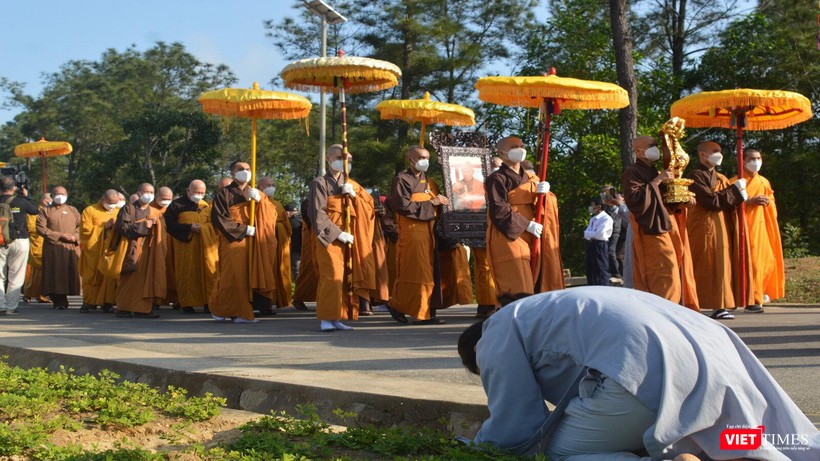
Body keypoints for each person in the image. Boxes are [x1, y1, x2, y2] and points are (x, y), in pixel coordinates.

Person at [457, 287, 819, 460]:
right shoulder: (560, 302)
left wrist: (480, 447)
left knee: (556, 452)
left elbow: (516, 422)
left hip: (642, 374)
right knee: (722, 431)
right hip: (716, 355)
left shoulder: (498, 329)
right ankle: (762, 452)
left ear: (477, 350)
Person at [308, 145, 379, 331]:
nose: (345, 162)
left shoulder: (352, 185)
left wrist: (354, 196)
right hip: (330, 238)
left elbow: (370, 209)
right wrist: (338, 234)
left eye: (348, 159)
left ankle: (337, 316)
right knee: (331, 276)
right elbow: (317, 214)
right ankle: (325, 318)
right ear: (329, 159)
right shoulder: (320, 183)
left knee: (343, 277)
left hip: (349, 238)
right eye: (340, 157)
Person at [622, 136, 698, 309]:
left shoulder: (655, 172)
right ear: (638, 151)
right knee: (664, 271)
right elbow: (635, 200)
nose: (655, 149)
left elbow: (664, 200)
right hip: (651, 228)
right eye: (651, 146)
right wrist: (657, 181)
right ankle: (663, 310)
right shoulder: (632, 172)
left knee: (675, 267)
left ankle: (673, 308)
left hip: (666, 224)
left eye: (656, 145)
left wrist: (682, 203)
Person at [485, 136, 563, 298]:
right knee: (518, 281)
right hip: (510, 233)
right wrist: (526, 224)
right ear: (502, 153)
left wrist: (545, 194)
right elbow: (499, 210)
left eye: (521, 145)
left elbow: (541, 205)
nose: (520, 149)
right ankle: (514, 318)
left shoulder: (531, 178)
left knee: (537, 278)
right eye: (514, 146)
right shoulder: (496, 179)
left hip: (534, 232)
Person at [385, 146, 449, 325]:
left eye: (427, 157)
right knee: (416, 271)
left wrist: (442, 202)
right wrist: (432, 202)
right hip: (413, 231)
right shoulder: (402, 179)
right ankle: (418, 312)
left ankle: (416, 309)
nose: (425, 161)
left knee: (428, 271)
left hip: (430, 232)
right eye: (421, 157)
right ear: (410, 159)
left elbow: (437, 203)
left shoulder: (430, 181)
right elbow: (402, 207)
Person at [209, 161, 277, 323]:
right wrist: (244, 229)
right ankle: (235, 311)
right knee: (234, 275)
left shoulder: (256, 193)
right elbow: (219, 218)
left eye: (248, 169)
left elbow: (271, 215)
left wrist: (260, 201)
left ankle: (234, 308)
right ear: (232, 173)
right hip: (235, 239)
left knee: (248, 275)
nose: (245, 172)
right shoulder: (224, 193)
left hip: (254, 241)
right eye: (240, 169)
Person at [685, 141, 747, 319]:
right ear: (703, 155)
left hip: (720, 225)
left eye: (720, 151)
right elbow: (710, 200)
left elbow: (726, 200)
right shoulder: (695, 175)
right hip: (703, 226)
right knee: (704, 263)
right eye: (715, 151)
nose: (719, 154)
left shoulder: (720, 177)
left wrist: (737, 193)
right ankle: (695, 302)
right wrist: (735, 191)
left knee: (721, 264)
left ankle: (720, 305)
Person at [729, 149, 784, 311]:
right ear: (743, 161)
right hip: (744, 228)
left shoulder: (763, 182)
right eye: (752, 158)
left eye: (759, 158)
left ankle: (758, 296)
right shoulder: (734, 182)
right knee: (748, 263)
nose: (756, 161)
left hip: (762, 228)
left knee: (764, 263)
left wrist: (768, 202)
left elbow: (772, 205)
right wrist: (748, 202)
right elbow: (727, 205)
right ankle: (749, 298)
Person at [112, 183, 167, 318]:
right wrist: (143, 225)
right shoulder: (128, 209)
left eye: (152, 192)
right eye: (146, 191)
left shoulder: (154, 211)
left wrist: (156, 225)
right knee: (128, 278)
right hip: (130, 249)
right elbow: (121, 228)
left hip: (149, 251)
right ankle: (123, 308)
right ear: (139, 193)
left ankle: (143, 309)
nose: (149, 194)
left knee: (146, 279)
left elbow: (164, 230)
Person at [164, 180, 218, 314]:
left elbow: (214, 224)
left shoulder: (206, 206)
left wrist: (205, 228)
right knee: (186, 273)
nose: (199, 195)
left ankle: (208, 303)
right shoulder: (176, 205)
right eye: (196, 192)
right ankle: (187, 304)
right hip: (185, 245)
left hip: (205, 245)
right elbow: (168, 225)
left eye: (202, 193)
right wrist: (189, 227)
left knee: (207, 272)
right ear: (188, 190)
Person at [35, 186, 81, 310]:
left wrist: (74, 237)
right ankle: (58, 300)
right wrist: (60, 235)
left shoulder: (73, 210)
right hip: (53, 246)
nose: (60, 196)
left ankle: (66, 297)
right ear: (52, 195)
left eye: (62, 193)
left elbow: (80, 227)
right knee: (55, 272)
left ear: (67, 195)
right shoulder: (45, 211)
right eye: (57, 194)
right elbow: (40, 228)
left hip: (71, 246)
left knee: (70, 271)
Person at [0, 177, 40, 315]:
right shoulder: (21, 201)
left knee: (0, 275)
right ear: (14, 188)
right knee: (16, 276)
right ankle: (11, 307)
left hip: (0, 241)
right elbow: (35, 210)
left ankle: (1, 305)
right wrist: (27, 196)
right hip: (19, 240)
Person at [79, 189, 120, 313]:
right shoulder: (90, 210)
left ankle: (107, 303)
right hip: (94, 251)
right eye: (109, 202)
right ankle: (89, 302)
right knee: (91, 275)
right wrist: (103, 227)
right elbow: (85, 230)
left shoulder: (119, 211)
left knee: (108, 275)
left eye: (115, 203)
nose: (112, 206)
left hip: (110, 250)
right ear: (103, 200)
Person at [258, 177, 292, 312]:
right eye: (268, 185)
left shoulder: (278, 204)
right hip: (262, 245)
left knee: (278, 271)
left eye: (273, 185)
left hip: (278, 246)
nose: (271, 187)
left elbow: (287, 226)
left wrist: (278, 227)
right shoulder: (255, 203)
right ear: (260, 187)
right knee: (264, 272)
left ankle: (274, 302)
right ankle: (262, 304)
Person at [22, 193, 51, 304]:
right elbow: (31, 228)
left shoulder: (50, 211)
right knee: (38, 271)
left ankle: (34, 294)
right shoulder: (35, 212)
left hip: (48, 243)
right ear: (44, 201)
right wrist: (46, 231)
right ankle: (34, 294)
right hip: (37, 243)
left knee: (41, 271)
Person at [152, 186, 177, 308]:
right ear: (156, 197)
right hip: (155, 247)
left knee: (173, 271)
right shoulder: (149, 209)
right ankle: (155, 299)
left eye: (169, 199)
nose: (166, 201)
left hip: (172, 245)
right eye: (163, 198)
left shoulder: (174, 208)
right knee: (156, 271)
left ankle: (176, 298)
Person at [292, 198, 317, 311]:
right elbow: (308, 218)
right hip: (313, 237)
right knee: (308, 270)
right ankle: (299, 298)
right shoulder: (309, 201)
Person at [583, 197, 613, 286]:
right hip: (592, 244)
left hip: (600, 244)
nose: (591, 207)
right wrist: (591, 234)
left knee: (600, 268)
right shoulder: (593, 219)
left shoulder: (606, 218)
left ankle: (603, 288)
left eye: (592, 205)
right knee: (590, 268)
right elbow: (585, 233)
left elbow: (600, 233)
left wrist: (590, 234)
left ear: (599, 206)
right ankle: (592, 287)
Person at [600, 185, 623, 281]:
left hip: (617, 231)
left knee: (612, 251)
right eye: (603, 194)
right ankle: (608, 271)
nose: (605, 196)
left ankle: (616, 273)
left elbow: (618, 218)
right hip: (607, 232)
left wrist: (614, 204)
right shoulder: (604, 208)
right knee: (606, 251)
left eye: (607, 194)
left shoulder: (619, 206)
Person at [286, 203, 302, 278]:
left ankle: (299, 288)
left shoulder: (291, 222)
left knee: (297, 272)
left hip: (295, 250)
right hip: (305, 249)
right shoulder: (303, 218)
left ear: (287, 213)